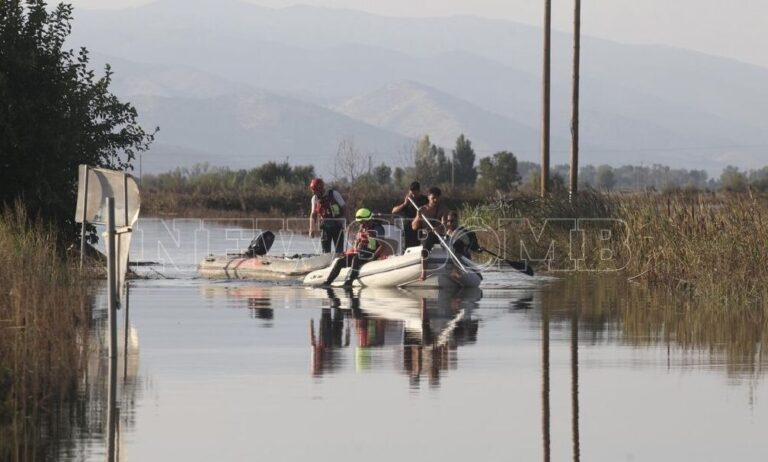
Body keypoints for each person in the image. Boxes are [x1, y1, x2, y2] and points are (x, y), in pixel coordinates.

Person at [322, 208, 385, 287]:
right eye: (359, 222)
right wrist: (357, 245)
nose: (361, 224)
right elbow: (356, 242)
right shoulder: (362, 227)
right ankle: (327, 282)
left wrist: (372, 257)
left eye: (362, 222)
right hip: (360, 253)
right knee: (340, 262)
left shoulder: (377, 229)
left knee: (356, 259)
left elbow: (382, 246)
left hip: (371, 254)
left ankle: (349, 282)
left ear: (367, 220)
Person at [411, 187, 450, 280]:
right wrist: (418, 217)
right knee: (426, 244)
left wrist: (439, 228)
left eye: (437, 198)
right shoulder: (422, 209)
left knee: (452, 242)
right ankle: (423, 272)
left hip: (439, 235)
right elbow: (414, 227)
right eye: (433, 198)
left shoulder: (443, 209)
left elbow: (445, 224)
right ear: (428, 197)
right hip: (427, 235)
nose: (435, 200)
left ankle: (455, 269)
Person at [308, 178, 346, 254]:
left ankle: (339, 261)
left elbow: (344, 208)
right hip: (325, 227)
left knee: (339, 250)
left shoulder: (334, 194)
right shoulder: (314, 198)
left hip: (337, 226)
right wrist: (312, 228)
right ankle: (326, 262)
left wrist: (346, 224)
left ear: (320, 188)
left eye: (315, 191)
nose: (314, 193)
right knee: (325, 251)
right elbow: (313, 214)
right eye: (313, 191)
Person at [391, 181, 428, 249]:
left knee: (420, 244)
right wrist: (405, 204)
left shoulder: (425, 199)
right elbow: (394, 211)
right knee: (408, 245)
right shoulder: (407, 200)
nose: (413, 195)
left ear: (419, 191)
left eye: (415, 193)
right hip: (408, 227)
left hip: (420, 226)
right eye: (412, 193)